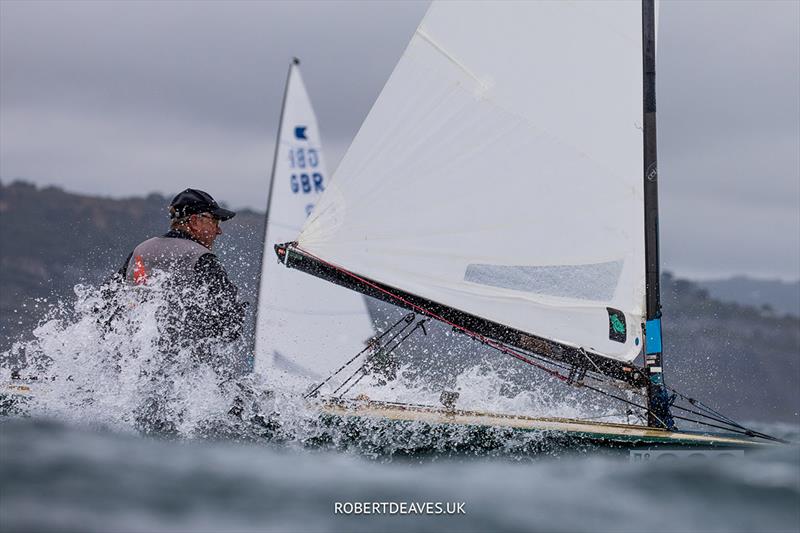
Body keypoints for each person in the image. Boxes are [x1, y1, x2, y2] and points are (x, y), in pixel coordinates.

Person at [112, 188, 247, 347]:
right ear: (196, 222)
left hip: (133, 358)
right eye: (215, 221)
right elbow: (229, 326)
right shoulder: (202, 258)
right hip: (180, 365)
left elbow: (107, 304)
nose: (219, 230)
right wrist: (240, 311)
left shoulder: (140, 251)